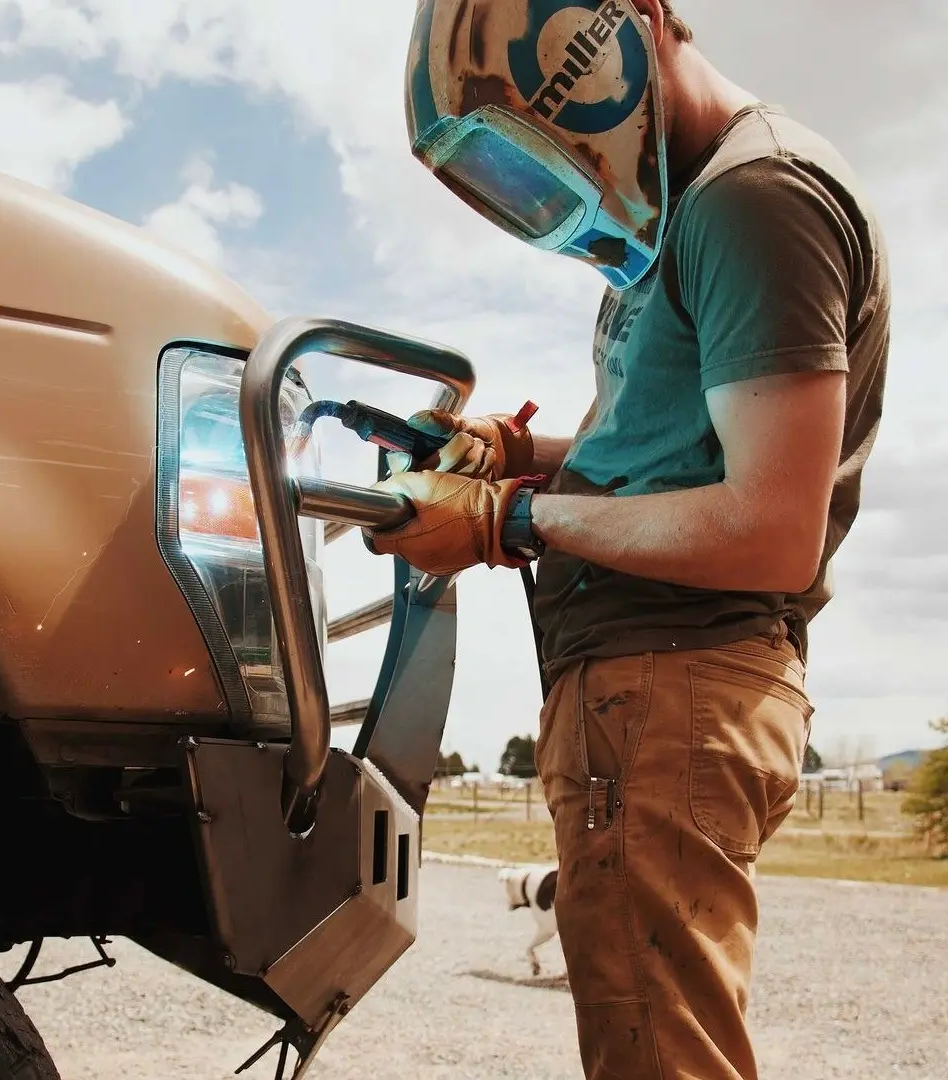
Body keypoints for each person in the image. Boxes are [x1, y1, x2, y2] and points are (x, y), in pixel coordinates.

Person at [366, 2, 891, 1078]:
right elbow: (668, 458)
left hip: (672, 683)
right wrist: (508, 451)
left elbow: (769, 527)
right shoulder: (704, 202)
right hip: (654, 690)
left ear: (639, 19)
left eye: (555, 122)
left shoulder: (757, 197)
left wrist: (505, 521)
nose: (568, 165)